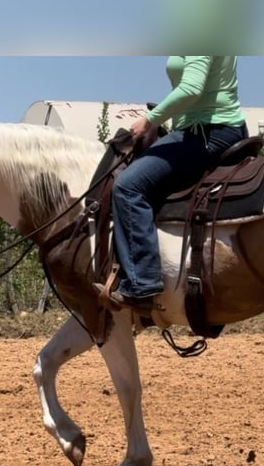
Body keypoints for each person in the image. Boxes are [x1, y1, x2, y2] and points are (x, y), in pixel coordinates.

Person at [97, 56, 249, 315]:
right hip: (207, 127)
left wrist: (150, 120)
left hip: (205, 133)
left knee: (128, 187)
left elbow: (191, 88)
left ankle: (141, 284)